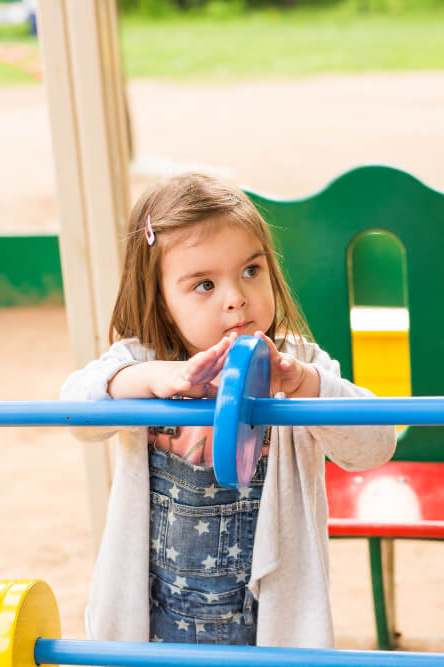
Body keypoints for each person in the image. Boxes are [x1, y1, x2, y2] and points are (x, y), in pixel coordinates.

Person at [60, 173, 396, 647]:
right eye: (203, 284)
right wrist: (152, 380)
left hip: (268, 623)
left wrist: (307, 386)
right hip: (156, 623)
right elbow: (75, 412)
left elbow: (376, 445)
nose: (236, 296)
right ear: (161, 299)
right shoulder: (140, 362)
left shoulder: (296, 363)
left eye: (251, 271)